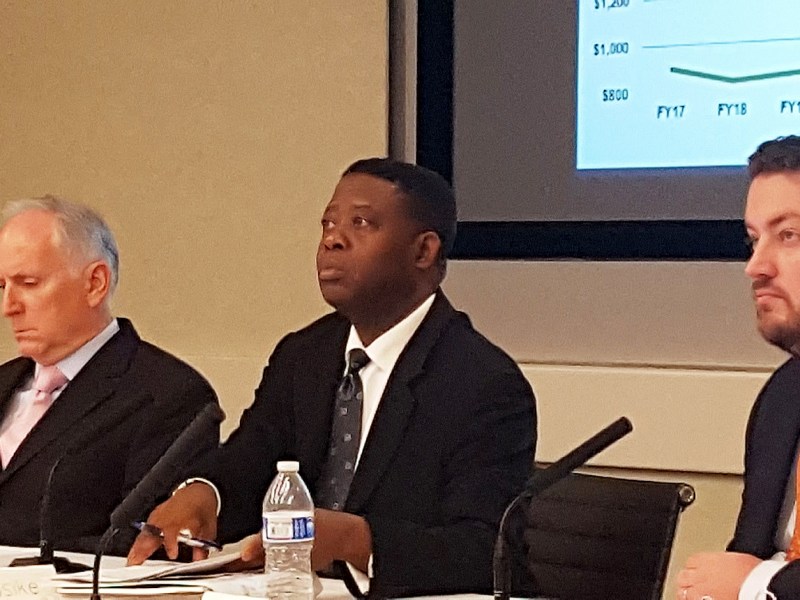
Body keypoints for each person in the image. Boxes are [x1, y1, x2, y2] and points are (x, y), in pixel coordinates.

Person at [128, 158, 537, 597]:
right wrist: (204, 492)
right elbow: (251, 458)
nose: (332, 240)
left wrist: (352, 540)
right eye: (327, 224)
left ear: (423, 251)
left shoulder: (483, 383)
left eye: (360, 223)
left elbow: (483, 550)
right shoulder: (304, 356)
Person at [0, 196, 220, 555]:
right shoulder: (4, 383)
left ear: (95, 283)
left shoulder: (169, 395)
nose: (9, 307)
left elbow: (142, 543)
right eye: (2, 286)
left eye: (28, 283)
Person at [677, 135, 800, 600]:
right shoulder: (784, 395)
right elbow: (743, 554)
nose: (755, 266)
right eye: (753, 240)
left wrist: (755, 584)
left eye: (788, 235)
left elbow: (746, 575)